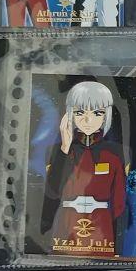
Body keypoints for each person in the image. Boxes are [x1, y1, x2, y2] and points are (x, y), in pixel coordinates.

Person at [40, 80, 127, 257]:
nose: (88, 120)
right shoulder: (57, 151)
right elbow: (52, 193)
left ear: (106, 115)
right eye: (80, 112)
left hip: (102, 226)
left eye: (97, 113)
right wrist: (64, 149)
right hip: (66, 224)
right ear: (69, 114)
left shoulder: (117, 153)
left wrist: (118, 247)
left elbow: (120, 204)